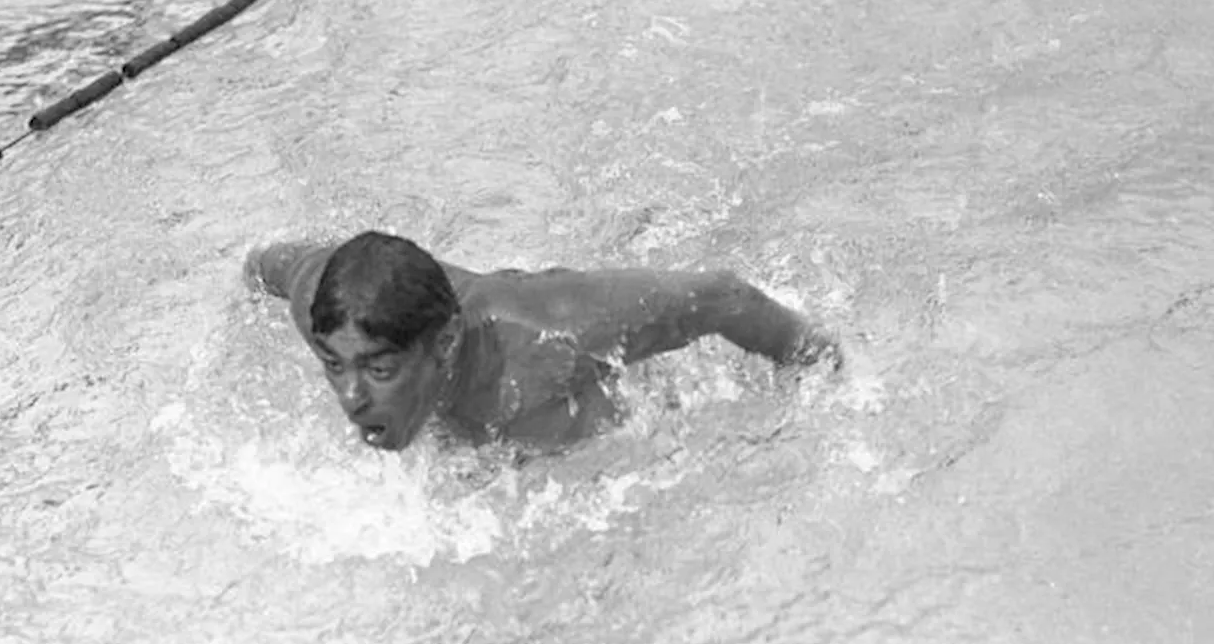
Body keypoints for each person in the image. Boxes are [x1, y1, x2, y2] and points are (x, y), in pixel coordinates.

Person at [244, 230, 841, 452]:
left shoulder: (543, 346)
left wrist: (826, 375)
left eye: (377, 371)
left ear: (445, 343)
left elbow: (721, 297)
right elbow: (262, 261)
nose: (348, 397)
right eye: (332, 366)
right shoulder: (323, 304)